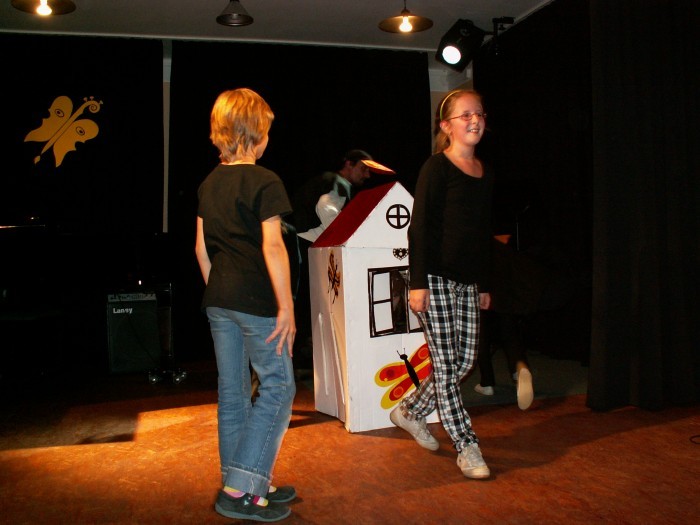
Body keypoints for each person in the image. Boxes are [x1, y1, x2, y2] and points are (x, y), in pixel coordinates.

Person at [195, 88, 296, 522]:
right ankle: (240, 488)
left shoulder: (209, 182)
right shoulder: (265, 180)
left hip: (218, 299)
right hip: (254, 300)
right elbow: (273, 246)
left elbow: (201, 250)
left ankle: (246, 481)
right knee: (279, 387)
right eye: (267, 130)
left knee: (233, 393)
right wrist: (286, 306)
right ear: (257, 134)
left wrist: (222, 293)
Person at [390, 89, 494, 479]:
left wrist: (483, 283)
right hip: (434, 278)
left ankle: (410, 410)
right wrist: (418, 283)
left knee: (464, 362)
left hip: (468, 282)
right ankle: (466, 445)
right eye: (465, 115)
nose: (475, 120)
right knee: (447, 367)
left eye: (479, 113)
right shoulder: (436, 168)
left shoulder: (485, 172)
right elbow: (418, 228)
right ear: (446, 126)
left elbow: (481, 234)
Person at [289, 150, 394, 366]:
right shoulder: (337, 183)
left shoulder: (326, 181)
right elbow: (326, 208)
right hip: (310, 250)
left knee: (305, 305)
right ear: (348, 164)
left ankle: (304, 356)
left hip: (301, 248)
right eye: (363, 169)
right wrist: (346, 241)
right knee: (315, 304)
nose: (367, 175)